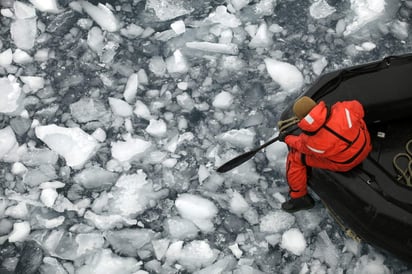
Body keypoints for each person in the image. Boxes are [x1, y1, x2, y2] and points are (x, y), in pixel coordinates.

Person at [278, 96, 372, 213]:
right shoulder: (344, 109)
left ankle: (299, 197)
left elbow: (299, 145)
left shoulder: (310, 141)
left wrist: (286, 138)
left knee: (295, 157)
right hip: (365, 146)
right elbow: (358, 108)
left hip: (345, 164)